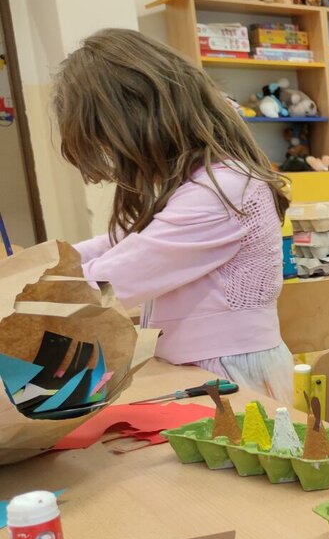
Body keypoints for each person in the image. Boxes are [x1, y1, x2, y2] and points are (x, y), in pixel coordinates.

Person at [58, 29, 293, 400]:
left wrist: (28, 292)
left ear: (137, 123)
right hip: (209, 368)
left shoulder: (222, 190)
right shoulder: (205, 183)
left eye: (109, 146)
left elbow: (116, 277)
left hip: (228, 374)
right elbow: (121, 243)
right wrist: (48, 263)